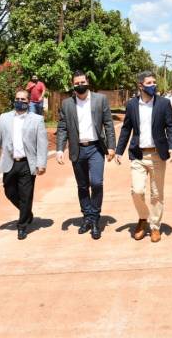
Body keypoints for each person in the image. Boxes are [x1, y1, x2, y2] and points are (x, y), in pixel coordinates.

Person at [116, 71, 172, 243]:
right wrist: (119, 151)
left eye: (154, 82)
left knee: (157, 194)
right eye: (149, 83)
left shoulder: (163, 103)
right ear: (140, 86)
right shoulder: (132, 105)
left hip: (158, 154)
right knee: (137, 191)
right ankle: (143, 217)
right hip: (138, 154)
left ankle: (155, 226)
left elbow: (171, 127)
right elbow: (126, 129)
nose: (153, 85)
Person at [56, 70, 116, 240]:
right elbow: (62, 127)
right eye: (77, 83)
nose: (80, 85)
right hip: (77, 149)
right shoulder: (67, 104)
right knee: (82, 186)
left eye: (82, 82)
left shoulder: (100, 99)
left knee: (96, 183)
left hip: (96, 147)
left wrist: (111, 146)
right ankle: (87, 216)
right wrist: (60, 149)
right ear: (73, 85)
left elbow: (108, 123)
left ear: (87, 82)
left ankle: (95, 217)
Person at [0, 90, 48, 240]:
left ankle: (22, 226)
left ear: (28, 102)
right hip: (10, 162)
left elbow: (42, 143)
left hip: (27, 163)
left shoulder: (37, 120)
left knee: (26, 195)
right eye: (17, 99)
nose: (19, 101)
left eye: (23, 99)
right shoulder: (4, 118)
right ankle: (27, 212)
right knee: (9, 191)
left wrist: (41, 164)